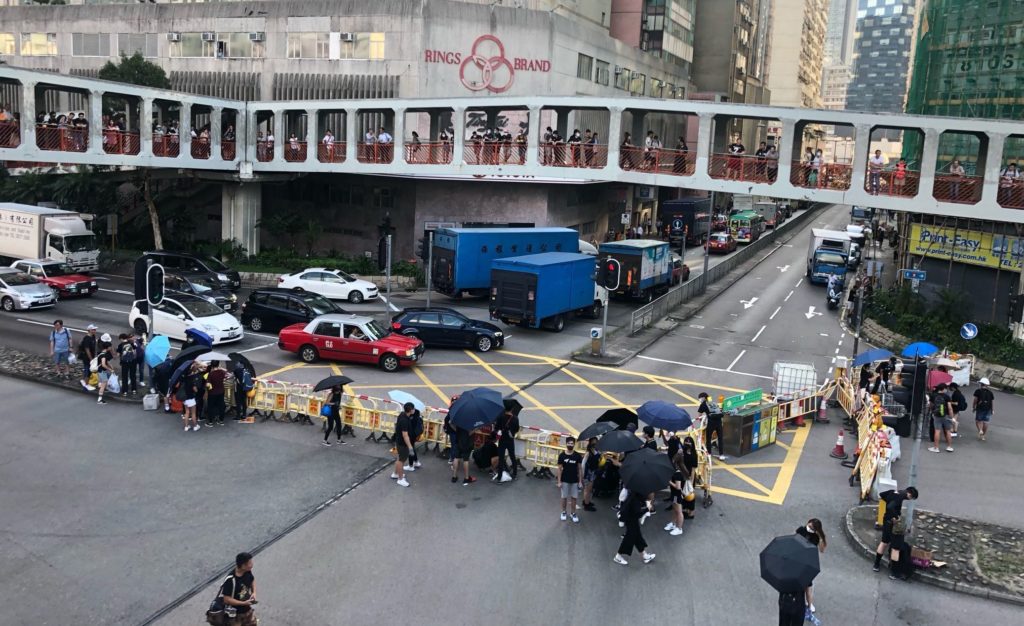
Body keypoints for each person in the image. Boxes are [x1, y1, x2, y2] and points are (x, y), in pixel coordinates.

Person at [873, 486, 919, 572]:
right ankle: (894, 572)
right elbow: (890, 507)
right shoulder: (900, 497)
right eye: (911, 497)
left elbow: (882, 495)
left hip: (886, 520)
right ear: (909, 493)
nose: (909, 499)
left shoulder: (893, 491)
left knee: (884, 542)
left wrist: (888, 504)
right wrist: (895, 517)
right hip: (893, 524)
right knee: (896, 547)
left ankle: (876, 564)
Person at [614, 491, 655, 566]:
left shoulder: (633, 495)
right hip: (630, 520)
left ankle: (645, 555)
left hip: (631, 519)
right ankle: (618, 556)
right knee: (629, 538)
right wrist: (647, 509)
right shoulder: (634, 500)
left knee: (637, 536)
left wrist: (646, 505)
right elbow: (637, 514)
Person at [796, 519, 828, 614]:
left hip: (808, 562)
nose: (808, 528)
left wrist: (821, 538)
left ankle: (809, 604)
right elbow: (793, 540)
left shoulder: (816, 537)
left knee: (809, 585)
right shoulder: (801, 530)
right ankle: (801, 601)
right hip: (798, 559)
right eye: (808, 526)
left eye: (811, 528)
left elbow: (822, 550)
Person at [219, 552, 257, 625]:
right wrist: (243, 603)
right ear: (243, 566)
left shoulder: (247, 572)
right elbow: (226, 599)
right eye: (250, 563)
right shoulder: (230, 580)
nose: (252, 565)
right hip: (235, 615)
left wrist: (254, 592)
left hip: (248, 611)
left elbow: (252, 580)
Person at [556, 436, 583, 523]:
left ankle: (573, 513)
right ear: (566, 444)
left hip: (574, 481)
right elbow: (559, 469)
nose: (570, 445)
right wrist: (559, 481)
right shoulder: (562, 456)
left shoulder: (577, 456)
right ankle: (564, 512)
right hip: (564, 480)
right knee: (564, 497)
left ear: (574, 444)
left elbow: (579, 469)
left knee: (574, 498)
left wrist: (580, 481)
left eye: (572, 443)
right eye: (569, 443)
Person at [664, 452, 687, 536]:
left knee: (679, 511)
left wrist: (669, 482)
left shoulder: (678, 473)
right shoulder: (680, 470)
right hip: (675, 495)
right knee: (675, 509)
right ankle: (673, 523)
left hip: (677, 494)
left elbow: (678, 486)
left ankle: (679, 528)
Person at [494, 405, 518, 482]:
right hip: (510, 440)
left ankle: (499, 477)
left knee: (501, 458)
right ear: (512, 409)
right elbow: (517, 429)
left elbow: (496, 428)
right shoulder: (515, 418)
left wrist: (499, 430)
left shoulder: (500, 417)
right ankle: (514, 474)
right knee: (512, 457)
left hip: (502, 440)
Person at [698, 392, 726, 460]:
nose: (699, 399)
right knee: (720, 438)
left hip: (711, 423)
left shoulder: (703, 404)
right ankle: (721, 454)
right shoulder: (712, 402)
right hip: (719, 422)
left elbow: (699, 415)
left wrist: (703, 422)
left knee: (708, 438)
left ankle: (709, 454)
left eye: (700, 398)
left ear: (703, 398)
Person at [391, 402, 413, 487]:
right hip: (403, 444)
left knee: (399, 458)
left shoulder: (402, 415)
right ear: (411, 410)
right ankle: (400, 479)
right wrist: (410, 446)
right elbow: (405, 435)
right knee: (401, 461)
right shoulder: (404, 421)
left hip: (398, 441)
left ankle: (396, 473)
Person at [928, 383, 955, 453]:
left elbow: (931, 405)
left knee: (937, 431)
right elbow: (950, 408)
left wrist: (932, 412)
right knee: (948, 431)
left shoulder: (933, 396)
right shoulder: (947, 397)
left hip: (937, 416)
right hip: (946, 416)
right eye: (946, 388)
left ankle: (936, 448)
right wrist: (952, 417)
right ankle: (949, 447)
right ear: (944, 389)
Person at [205, 361, 228, 427]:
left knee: (210, 407)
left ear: (211, 366)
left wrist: (207, 384)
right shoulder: (222, 372)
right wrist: (221, 368)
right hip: (221, 392)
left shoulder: (211, 374)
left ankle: (210, 422)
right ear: (218, 365)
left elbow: (208, 384)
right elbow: (227, 375)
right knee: (221, 406)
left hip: (212, 393)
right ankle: (221, 421)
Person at [580, 437, 600, 512]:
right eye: (593, 443)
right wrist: (582, 475)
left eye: (596, 442)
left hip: (593, 473)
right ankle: (586, 505)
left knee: (589, 489)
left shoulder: (596, 451)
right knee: (587, 490)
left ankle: (586, 501)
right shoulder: (588, 453)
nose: (595, 444)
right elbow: (583, 465)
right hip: (588, 474)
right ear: (590, 443)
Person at [95, 334, 115, 404]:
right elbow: (103, 364)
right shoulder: (104, 355)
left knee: (103, 383)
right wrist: (110, 369)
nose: (111, 348)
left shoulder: (101, 353)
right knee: (103, 384)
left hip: (100, 371)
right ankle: (100, 399)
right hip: (102, 371)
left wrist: (110, 366)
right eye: (110, 347)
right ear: (107, 347)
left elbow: (106, 362)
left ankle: (101, 396)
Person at [78, 323, 98, 391]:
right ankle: (86, 385)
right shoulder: (87, 339)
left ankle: (84, 381)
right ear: (89, 330)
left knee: (87, 370)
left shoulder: (93, 336)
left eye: (95, 329)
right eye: (93, 329)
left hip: (91, 356)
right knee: (88, 370)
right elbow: (87, 349)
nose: (95, 330)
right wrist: (91, 359)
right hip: (86, 357)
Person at [407, 404, 423, 469]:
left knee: (410, 449)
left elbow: (409, 426)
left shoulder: (412, 417)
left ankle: (411, 465)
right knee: (412, 447)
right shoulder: (417, 415)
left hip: (411, 435)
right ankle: (416, 462)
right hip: (415, 435)